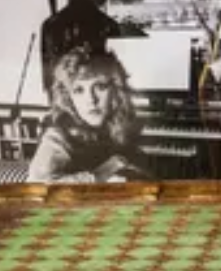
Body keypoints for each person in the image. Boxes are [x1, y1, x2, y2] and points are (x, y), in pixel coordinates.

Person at [25, 47, 148, 183]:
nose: (91, 99)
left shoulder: (115, 125)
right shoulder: (57, 135)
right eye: (79, 90)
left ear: (116, 90)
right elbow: (36, 184)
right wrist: (100, 175)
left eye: (100, 87)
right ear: (68, 98)